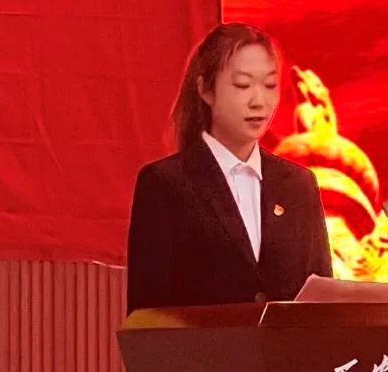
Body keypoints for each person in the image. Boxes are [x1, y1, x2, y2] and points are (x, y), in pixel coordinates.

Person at [126, 22, 332, 314]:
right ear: (206, 90)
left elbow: (324, 304)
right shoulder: (165, 184)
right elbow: (148, 318)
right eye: (242, 85)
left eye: (270, 85)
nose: (259, 102)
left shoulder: (299, 186)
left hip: (285, 347)